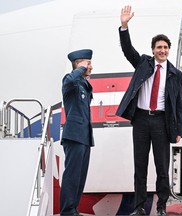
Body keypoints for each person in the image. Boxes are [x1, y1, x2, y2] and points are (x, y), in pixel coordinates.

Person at [116, 6, 182, 216]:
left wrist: (179, 130)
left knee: (162, 168)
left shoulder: (175, 73)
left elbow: (178, 104)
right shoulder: (143, 63)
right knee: (140, 166)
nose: (162, 50)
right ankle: (139, 207)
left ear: (168, 50)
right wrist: (124, 26)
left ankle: (161, 206)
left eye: (165, 47)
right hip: (142, 120)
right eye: (159, 47)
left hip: (162, 122)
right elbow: (128, 50)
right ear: (153, 49)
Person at [60, 49, 94, 216]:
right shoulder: (70, 81)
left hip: (85, 136)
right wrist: (80, 68)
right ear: (79, 64)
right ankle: (67, 210)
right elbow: (69, 81)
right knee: (72, 175)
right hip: (73, 135)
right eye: (88, 63)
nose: (91, 67)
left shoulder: (83, 84)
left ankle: (73, 209)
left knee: (80, 176)